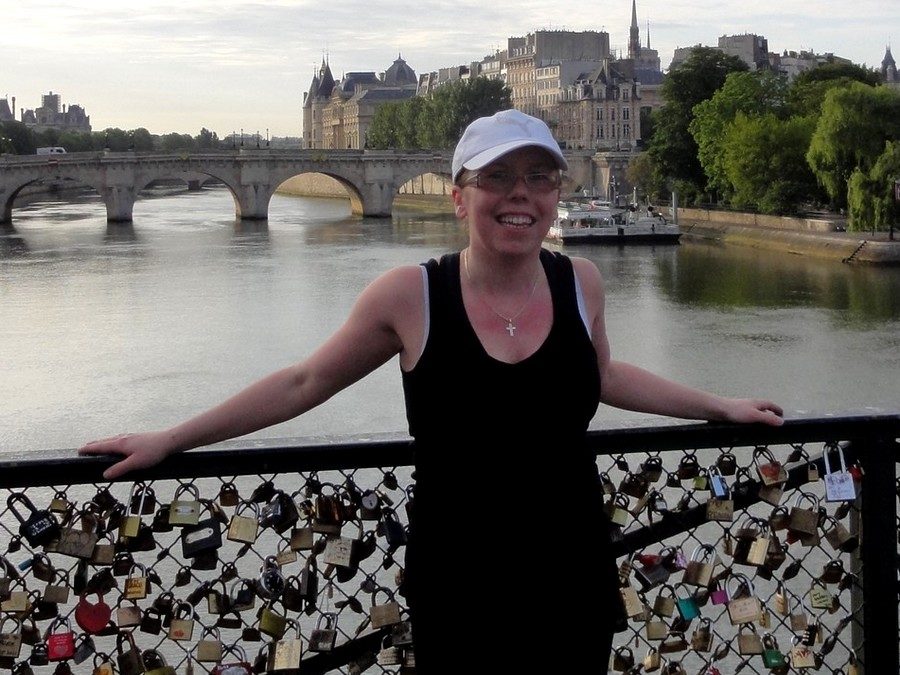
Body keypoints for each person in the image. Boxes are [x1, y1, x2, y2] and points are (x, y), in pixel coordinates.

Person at [80, 109, 783, 671]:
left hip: (571, 572)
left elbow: (603, 375)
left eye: (540, 178)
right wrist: (172, 437)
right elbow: (304, 381)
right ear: (458, 196)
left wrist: (717, 405)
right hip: (460, 582)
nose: (521, 194)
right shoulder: (410, 295)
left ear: (557, 196)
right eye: (497, 178)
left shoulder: (581, 282)